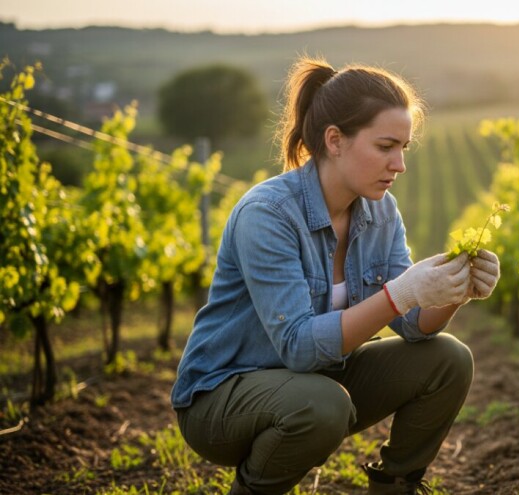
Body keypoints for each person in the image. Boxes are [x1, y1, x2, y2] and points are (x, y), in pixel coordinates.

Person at [170, 56, 501, 495]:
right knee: (322, 405)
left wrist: (453, 290)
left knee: (448, 358)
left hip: (315, 382)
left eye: (404, 147)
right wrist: (402, 292)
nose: (399, 164)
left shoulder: (381, 211)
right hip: (222, 399)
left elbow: (412, 326)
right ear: (335, 140)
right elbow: (300, 348)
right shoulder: (267, 215)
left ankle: (395, 486)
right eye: (385, 147)